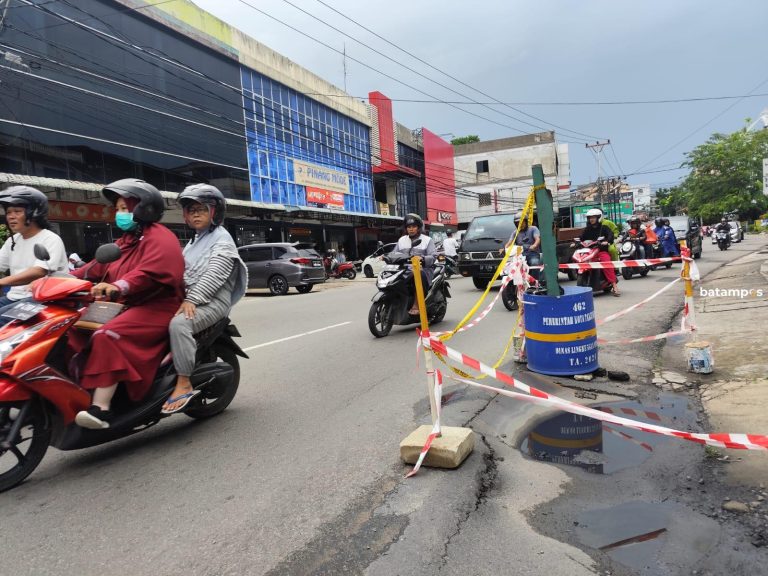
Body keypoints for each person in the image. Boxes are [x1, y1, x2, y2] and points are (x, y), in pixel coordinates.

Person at [73, 179, 185, 430]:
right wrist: (59, 278)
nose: (120, 214)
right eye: (118, 208)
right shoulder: (125, 241)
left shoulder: (160, 237)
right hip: (124, 305)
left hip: (158, 306)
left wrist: (120, 286)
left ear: (142, 208)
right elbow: (94, 268)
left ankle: (101, 409)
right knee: (73, 331)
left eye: (125, 207)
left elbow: (153, 271)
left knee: (106, 336)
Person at [161, 184, 247, 414]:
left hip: (212, 302)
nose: (196, 214)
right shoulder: (194, 241)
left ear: (214, 212)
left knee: (179, 324)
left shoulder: (221, 239)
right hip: (192, 298)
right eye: (191, 210)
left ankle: (183, 381)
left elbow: (216, 273)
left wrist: (193, 299)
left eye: (201, 208)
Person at [0, 186, 68, 312]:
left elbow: (39, 271)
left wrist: (2, 282)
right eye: (8, 212)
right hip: (13, 297)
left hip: (42, 298)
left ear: (34, 213)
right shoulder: (12, 241)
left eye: (17, 211)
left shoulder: (50, 239)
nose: (11, 216)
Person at [397, 213, 436, 315]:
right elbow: (394, 253)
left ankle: (417, 304)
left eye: (414, 226)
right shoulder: (402, 240)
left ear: (418, 228)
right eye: (409, 227)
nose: (411, 229)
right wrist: (385, 256)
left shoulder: (427, 240)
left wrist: (422, 258)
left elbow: (433, 256)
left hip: (423, 270)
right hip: (405, 270)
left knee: (418, 274)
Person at [580, 208, 619, 296]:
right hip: (590, 252)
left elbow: (610, 235)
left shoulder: (604, 228)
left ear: (598, 218)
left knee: (606, 263)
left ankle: (614, 285)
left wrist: (607, 241)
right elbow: (581, 237)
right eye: (590, 218)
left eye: (593, 217)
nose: (591, 219)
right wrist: (576, 242)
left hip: (601, 251)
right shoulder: (587, 229)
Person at [500, 212, 541, 280]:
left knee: (534, 263)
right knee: (508, 267)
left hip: (532, 254)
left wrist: (534, 245)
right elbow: (510, 243)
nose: (520, 224)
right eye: (518, 223)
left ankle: (534, 283)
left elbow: (537, 239)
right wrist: (504, 248)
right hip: (520, 256)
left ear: (526, 222)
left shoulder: (533, 229)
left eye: (522, 222)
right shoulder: (515, 233)